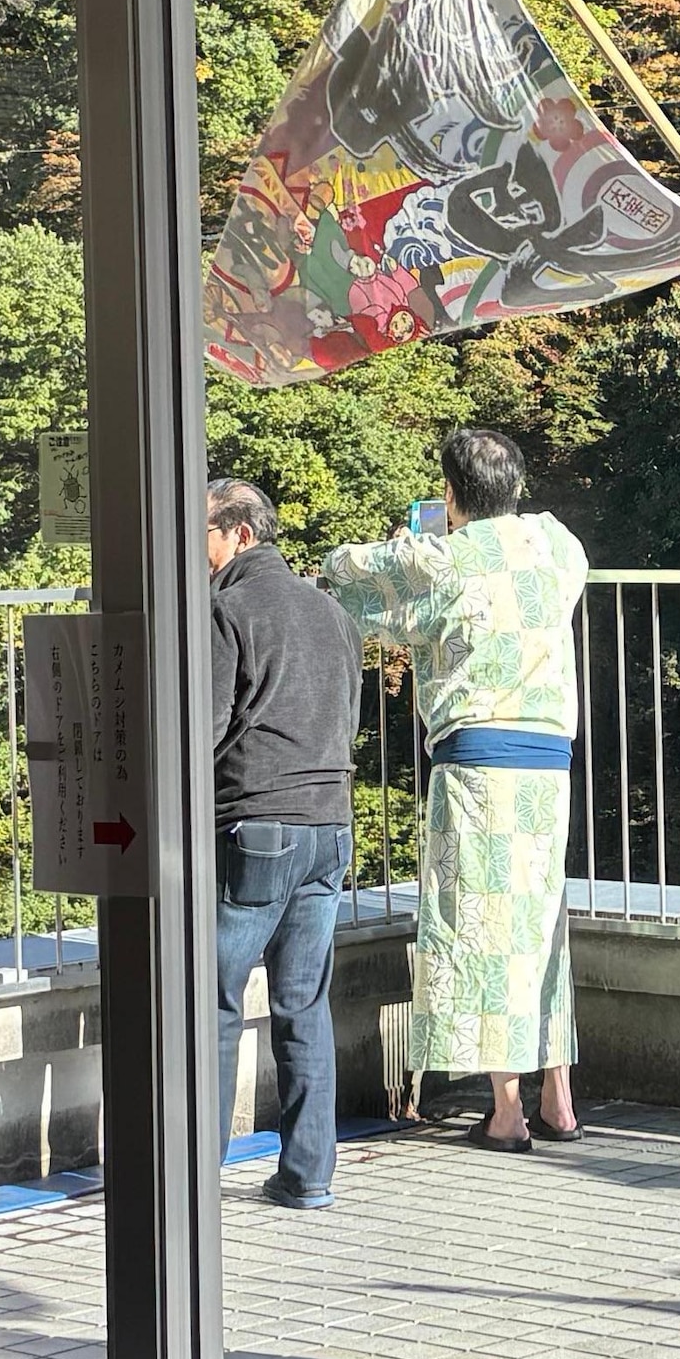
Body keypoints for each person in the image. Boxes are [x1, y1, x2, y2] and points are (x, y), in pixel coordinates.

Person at [316, 427, 588, 1150]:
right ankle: (559, 1096)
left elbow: (348, 575)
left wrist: (423, 534)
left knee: (482, 925)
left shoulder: (442, 559)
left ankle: (507, 1112)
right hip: (549, 762)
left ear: (451, 491)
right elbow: (533, 539)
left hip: (478, 762)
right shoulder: (556, 546)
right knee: (541, 923)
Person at [205, 477, 361, 1210]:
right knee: (303, 1002)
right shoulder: (332, 612)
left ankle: (193, 1177)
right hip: (329, 826)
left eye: (198, 529)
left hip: (255, 824)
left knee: (214, 1000)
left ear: (238, 533)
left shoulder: (226, 609)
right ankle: (308, 1174)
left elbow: (202, 729)